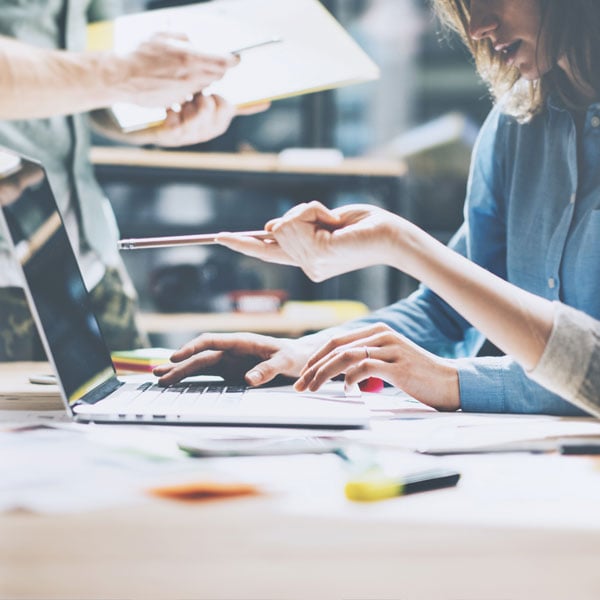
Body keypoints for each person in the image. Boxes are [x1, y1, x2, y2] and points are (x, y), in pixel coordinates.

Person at [155, 0, 600, 417]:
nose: (478, 26)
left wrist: (450, 382)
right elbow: (448, 313)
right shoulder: (516, 123)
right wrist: (302, 354)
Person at [0, 0, 267, 360]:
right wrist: (122, 74)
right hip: (9, 260)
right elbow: (111, 72)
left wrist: (163, 123)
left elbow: (99, 84)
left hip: (89, 254)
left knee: (135, 410)